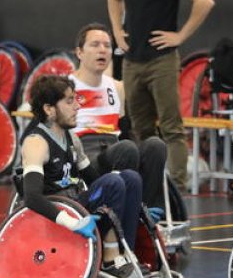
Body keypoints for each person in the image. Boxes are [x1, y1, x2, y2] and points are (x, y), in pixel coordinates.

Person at [107, 0, 215, 190]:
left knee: (171, 127)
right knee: (139, 128)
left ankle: (177, 188)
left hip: (162, 61)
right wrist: (118, 31)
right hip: (133, 61)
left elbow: (204, 0)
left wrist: (180, 36)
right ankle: (146, 186)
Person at [19, 75, 144, 278]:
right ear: (49, 109)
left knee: (130, 178)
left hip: (78, 203)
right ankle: (109, 259)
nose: (77, 106)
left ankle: (126, 254)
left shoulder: (72, 139)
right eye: (69, 101)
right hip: (58, 213)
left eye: (76, 99)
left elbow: (94, 181)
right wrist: (72, 223)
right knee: (112, 182)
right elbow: (31, 197)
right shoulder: (36, 142)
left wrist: (136, 204)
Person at [68, 22, 176, 218]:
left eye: (107, 45)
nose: (102, 50)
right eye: (95, 45)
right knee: (126, 148)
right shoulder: (66, 86)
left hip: (114, 148)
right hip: (84, 155)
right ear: (79, 52)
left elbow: (125, 130)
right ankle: (128, 212)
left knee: (155, 145)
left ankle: (148, 211)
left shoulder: (117, 88)